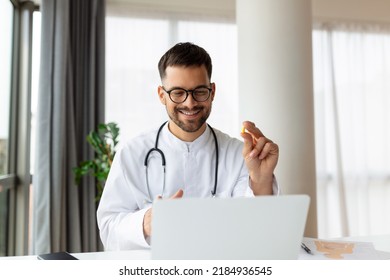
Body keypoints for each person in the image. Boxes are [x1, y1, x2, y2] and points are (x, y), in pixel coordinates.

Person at [97, 42, 279, 250]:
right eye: (177, 93)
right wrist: (147, 222)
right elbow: (108, 230)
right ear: (161, 95)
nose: (190, 103)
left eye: (199, 91)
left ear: (212, 91)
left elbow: (259, 232)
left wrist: (261, 180)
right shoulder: (132, 154)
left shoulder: (240, 154)